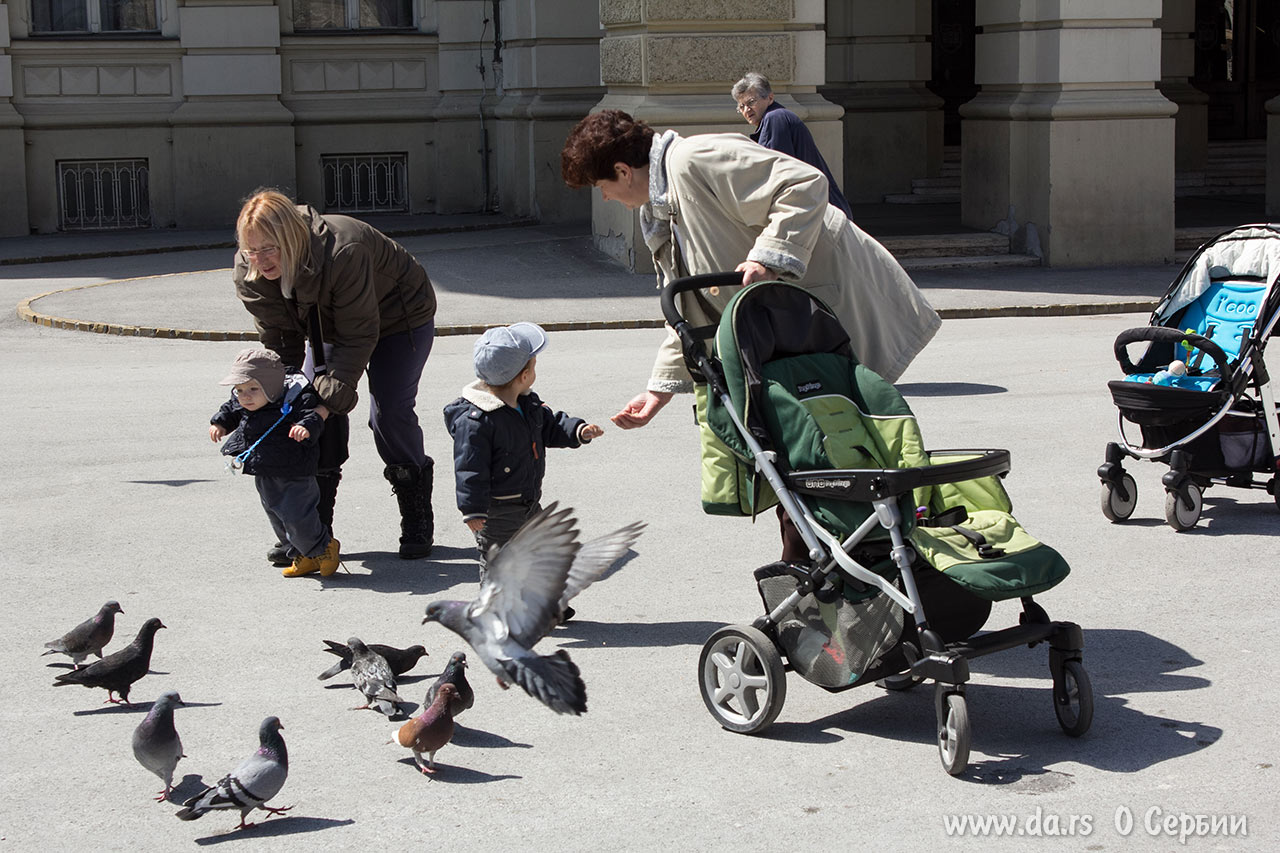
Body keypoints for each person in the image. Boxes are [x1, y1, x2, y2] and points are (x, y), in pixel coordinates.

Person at [561, 109, 941, 559]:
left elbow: (804, 185)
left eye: (600, 186)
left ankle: (844, 577)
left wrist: (769, 254)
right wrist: (658, 389)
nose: (604, 198)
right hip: (792, 330)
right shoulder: (664, 205)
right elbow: (689, 303)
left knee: (825, 456)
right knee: (804, 461)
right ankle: (837, 576)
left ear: (623, 171)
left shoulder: (695, 158)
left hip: (826, 313)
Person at [232, 189, 438, 562]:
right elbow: (281, 341)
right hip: (327, 324)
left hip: (399, 315)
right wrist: (285, 398)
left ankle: (416, 516)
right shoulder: (252, 270)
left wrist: (327, 404)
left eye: (269, 249)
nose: (259, 260)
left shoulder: (346, 249)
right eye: (252, 251)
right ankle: (312, 532)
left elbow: (358, 334)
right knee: (302, 407)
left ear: (291, 239)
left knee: (388, 413)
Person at [443, 322, 604, 581]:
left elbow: (550, 426)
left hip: (529, 501)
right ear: (524, 375)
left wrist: (578, 430)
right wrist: (472, 509)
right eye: (534, 366)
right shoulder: (476, 422)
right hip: (497, 512)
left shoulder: (528, 404)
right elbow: (469, 468)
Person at [209, 348, 340, 578]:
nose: (244, 396)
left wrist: (305, 427)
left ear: (271, 387)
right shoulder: (243, 401)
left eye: (252, 389)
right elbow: (231, 409)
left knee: (297, 515)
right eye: (239, 390)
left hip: (294, 470)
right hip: (264, 468)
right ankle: (303, 555)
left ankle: (324, 548)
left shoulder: (295, 397)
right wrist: (220, 423)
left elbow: (311, 415)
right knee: (276, 515)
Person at [732, 72, 852, 219]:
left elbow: (777, 173)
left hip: (818, 213)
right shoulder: (775, 118)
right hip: (817, 208)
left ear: (770, 98)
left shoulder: (774, 118)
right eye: (741, 106)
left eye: (751, 102)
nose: (746, 110)